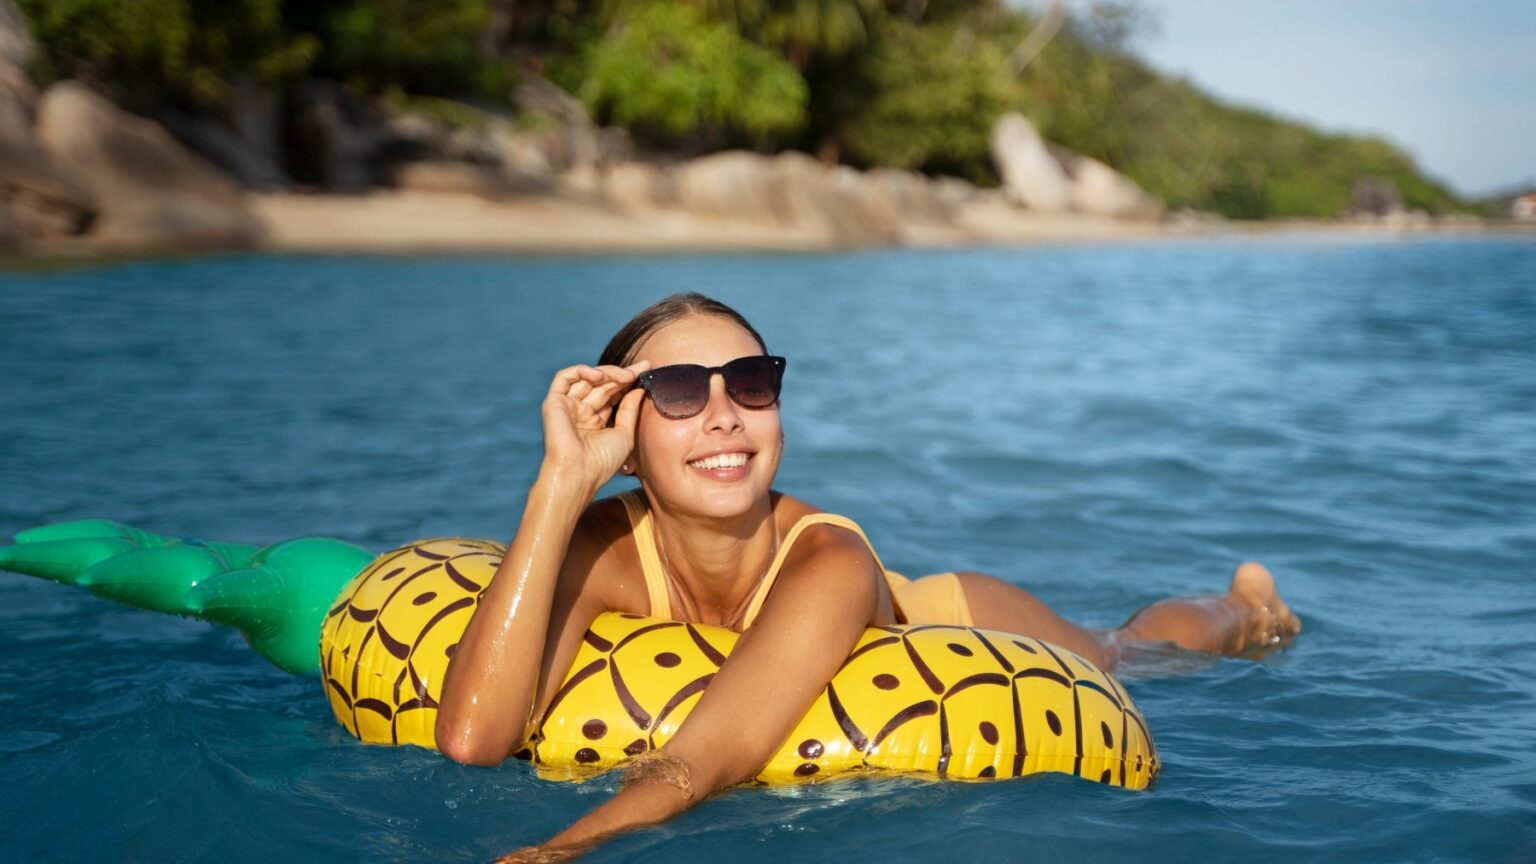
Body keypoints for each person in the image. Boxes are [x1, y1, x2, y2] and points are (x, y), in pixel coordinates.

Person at [435, 293, 1299, 860]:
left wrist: (559, 848)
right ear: (623, 433)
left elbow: (694, 767)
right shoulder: (600, 544)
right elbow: (473, 739)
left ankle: (1244, 605)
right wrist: (560, 480)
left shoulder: (829, 559)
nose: (725, 414)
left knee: (1127, 649)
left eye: (751, 380)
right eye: (678, 392)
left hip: (949, 616)